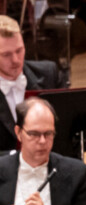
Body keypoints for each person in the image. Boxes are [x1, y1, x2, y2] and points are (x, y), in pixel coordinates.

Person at [0, 15, 59, 154]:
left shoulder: (49, 74)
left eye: (19, 50)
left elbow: (64, 133)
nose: (16, 60)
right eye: (6, 54)